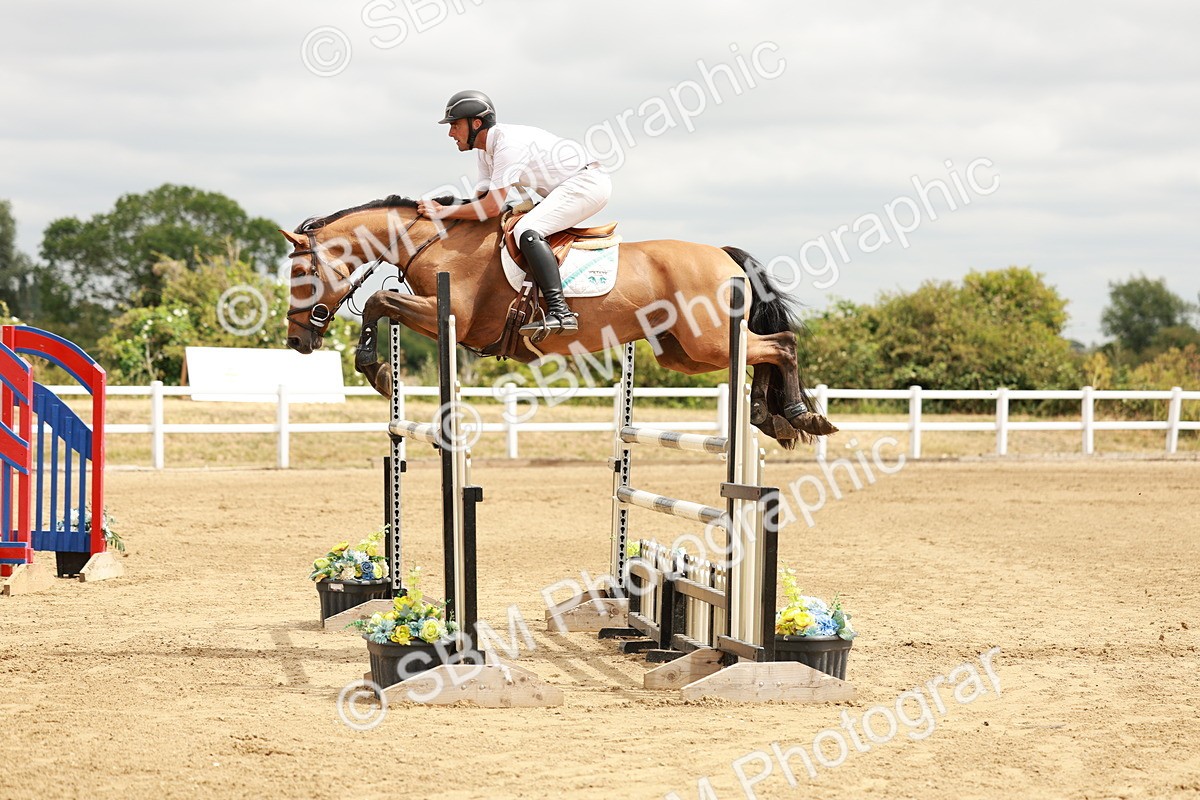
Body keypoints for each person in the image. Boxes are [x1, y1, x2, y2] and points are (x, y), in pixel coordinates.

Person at [417, 90, 611, 335]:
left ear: (476, 123)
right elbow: (480, 201)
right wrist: (443, 210)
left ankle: (561, 312)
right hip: (566, 186)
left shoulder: (508, 146)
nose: (450, 133)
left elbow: (490, 207)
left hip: (587, 185)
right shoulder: (485, 151)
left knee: (526, 230)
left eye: (455, 125)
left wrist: (443, 211)